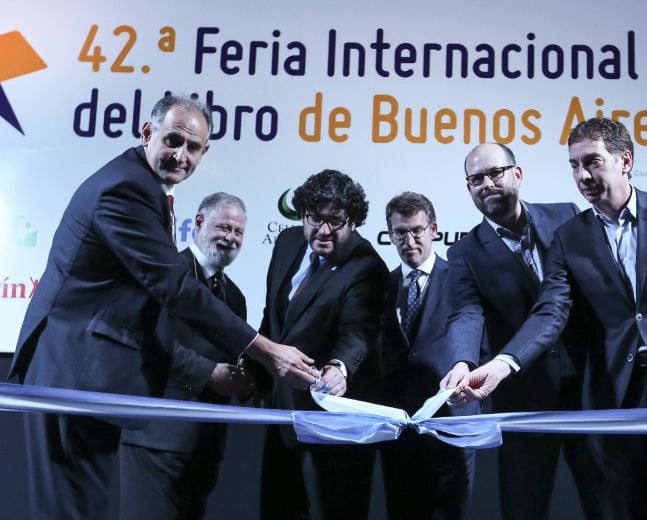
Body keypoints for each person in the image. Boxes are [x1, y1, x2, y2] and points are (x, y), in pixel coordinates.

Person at [9, 94, 316, 519]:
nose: (181, 155)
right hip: (72, 370)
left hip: (86, 374)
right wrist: (265, 349)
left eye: (193, 148)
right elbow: (174, 287)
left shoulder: (148, 189)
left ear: (205, 153)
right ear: (147, 133)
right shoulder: (126, 188)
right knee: (68, 511)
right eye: (173, 140)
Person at [458, 118, 647, 519]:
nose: (582, 175)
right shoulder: (571, 236)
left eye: (592, 162)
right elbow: (551, 310)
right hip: (610, 401)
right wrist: (503, 363)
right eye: (573, 165)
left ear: (625, 161)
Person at [440, 142, 602, 519]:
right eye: (476, 179)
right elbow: (465, 312)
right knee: (523, 508)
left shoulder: (567, 216)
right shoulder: (464, 252)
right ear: (468, 189)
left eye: (495, 173)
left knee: (608, 502)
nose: (487, 184)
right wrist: (463, 361)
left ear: (517, 173)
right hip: (524, 398)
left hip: (591, 389)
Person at [258, 169, 388, 520]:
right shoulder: (287, 242)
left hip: (333, 424)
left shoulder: (368, 265)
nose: (324, 230)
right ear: (302, 214)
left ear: (354, 221)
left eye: (336, 221)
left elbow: (359, 330)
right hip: (280, 413)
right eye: (315, 218)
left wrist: (340, 367)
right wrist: (251, 368)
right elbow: (273, 320)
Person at [119, 192, 259, 519]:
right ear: (198, 222)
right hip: (155, 438)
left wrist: (250, 383)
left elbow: (235, 359)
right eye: (224, 227)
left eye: (238, 232)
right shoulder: (166, 272)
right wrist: (208, 372)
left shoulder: (235, 296)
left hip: (205, 445)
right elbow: (146, 339)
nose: (231, 238)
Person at [377, 192, 476, 520]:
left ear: (434, 229)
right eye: (400, 233)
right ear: (390, 234)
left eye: (417, 230)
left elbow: (480, 340)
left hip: (451, 421)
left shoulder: (463, 279)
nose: (409, 240)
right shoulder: (381, 286)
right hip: (398, 427)